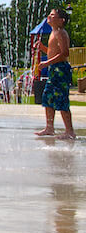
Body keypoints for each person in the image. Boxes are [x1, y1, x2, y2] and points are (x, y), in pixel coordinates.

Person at [35, 8, 76, 140]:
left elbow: (64, 53)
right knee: (48, 97)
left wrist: (46, 64)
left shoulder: (60, 33)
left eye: (53, 15)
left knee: (61, 98)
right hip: (54, 69)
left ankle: (70, 131)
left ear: (61, 20)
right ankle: (49, 128)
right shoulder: (53, 32)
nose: (49, 16)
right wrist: (43, 48)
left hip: (60, 69)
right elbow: (52, 53)